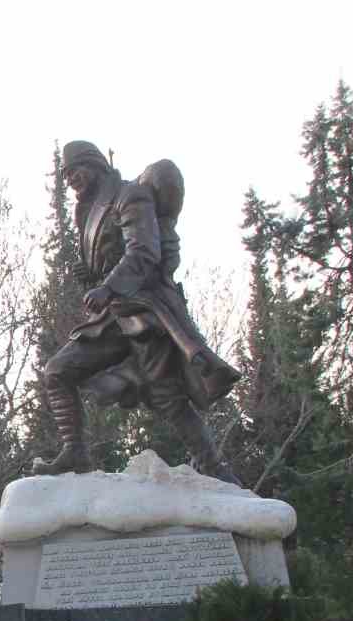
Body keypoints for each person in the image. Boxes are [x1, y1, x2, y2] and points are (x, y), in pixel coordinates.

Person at [34, 141, 240, 482]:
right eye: (66, 175)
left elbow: (144, 252)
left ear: (94, 164)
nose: (71, 180)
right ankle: (75, 452)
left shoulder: (130, 196)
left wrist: (108, 286)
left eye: (75, 171)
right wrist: (94, 276)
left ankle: (213, 466)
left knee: (168, 398)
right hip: (112, 317)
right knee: (57, 371)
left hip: (145, 314)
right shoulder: (90, 209)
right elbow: (112, 260)